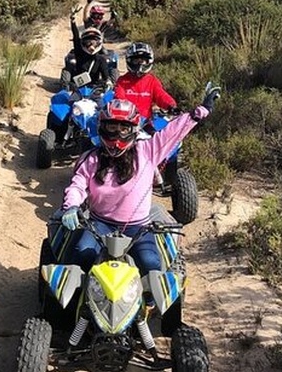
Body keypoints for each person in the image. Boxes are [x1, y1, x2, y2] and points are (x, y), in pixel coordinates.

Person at [58, 87, 220, 277]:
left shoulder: (148, 152)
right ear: (102, 127)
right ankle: (73, 303)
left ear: (133, 130)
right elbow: (77, 185)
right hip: (99, 224)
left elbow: (173, 132)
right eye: (111, 127)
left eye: (124, 128)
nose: (117, 134)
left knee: (150, 264)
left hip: (137, 227)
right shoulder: (92, 159)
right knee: (80, 256)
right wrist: (71, 206)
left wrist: (201, 110)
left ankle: (150, 305)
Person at [114, 42, 179, 127]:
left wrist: (171, 105)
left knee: (166, 136)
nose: (139, 64)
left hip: (146, 122)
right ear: (129, 61)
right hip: (126, 122)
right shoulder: (122, 80)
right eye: (136, 60)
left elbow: (160, 95)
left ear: (149, 61)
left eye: (142, 61)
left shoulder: (152, 80)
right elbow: (119, 97)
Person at [69, 6, 113, 87]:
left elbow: (105, 77)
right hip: (78, 89)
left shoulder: (101, 60)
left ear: (98, 43)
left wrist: (108, 83)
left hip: (95, 91)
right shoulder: (79, 54)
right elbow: (76, 36)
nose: (91, 45)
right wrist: (73, 21)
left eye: (94, 42)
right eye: (88, 42)